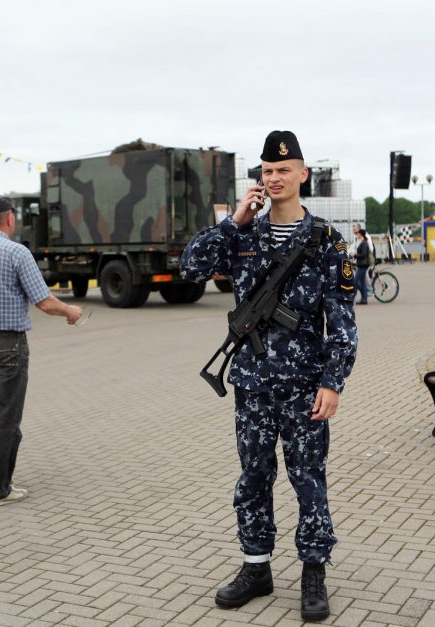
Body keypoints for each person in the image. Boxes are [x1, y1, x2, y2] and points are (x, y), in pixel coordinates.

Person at [181, 131, 357, 621]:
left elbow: (342, 321)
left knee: (308, 479)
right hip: (253, 384)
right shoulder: (244, 236)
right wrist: (233, 222)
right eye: (267, 171)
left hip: (304, 386)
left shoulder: (325, 241)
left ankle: (313, 572)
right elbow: (190, 267)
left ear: (303, 175)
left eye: (284, 170)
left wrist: (332, 382)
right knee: (253, 476)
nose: (275, 178)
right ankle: (256, 567)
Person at [0, 195, 83, 507]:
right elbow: (45, 301)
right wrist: (70, 311)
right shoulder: (16, 252)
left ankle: (2, 480)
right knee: (5, 417)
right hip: (9, 343)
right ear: (9, 218)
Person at [353, 229, 371, 304]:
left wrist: (355, 255)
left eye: (358, 233)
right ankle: (364, 299)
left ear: (361, 234)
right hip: (362, 264)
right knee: (362, 282)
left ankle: (364, 294)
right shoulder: (363, 242)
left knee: (355, 281)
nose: (357, 234)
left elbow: (364, 254)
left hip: (363, 265)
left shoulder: (364, 243)